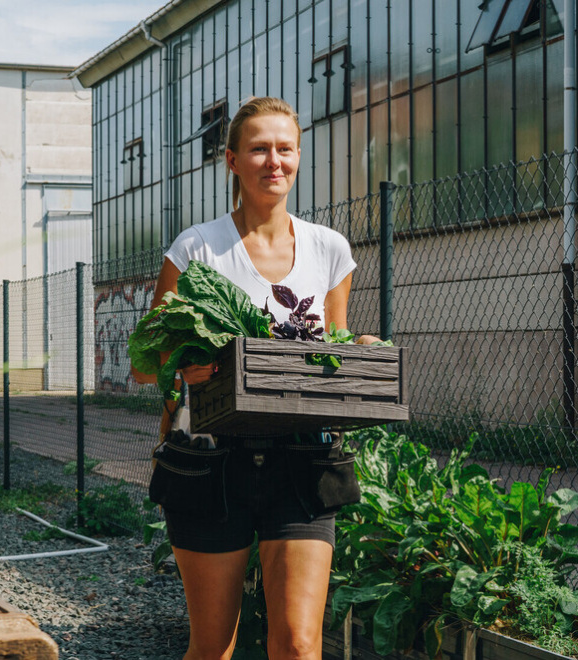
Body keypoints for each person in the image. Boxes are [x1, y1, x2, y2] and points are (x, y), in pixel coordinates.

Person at [133, 96, 378, 660]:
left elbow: (332, 350)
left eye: (285, 148)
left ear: (298, 157)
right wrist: (182, 362)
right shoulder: (197, 248)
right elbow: (146, 362)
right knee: (215, 646)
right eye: (259, 148)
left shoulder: (330, 250)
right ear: (232, 161)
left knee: (297, 643)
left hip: (303, 459)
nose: (275, 161)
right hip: (211, 462)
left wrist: (359, 353)